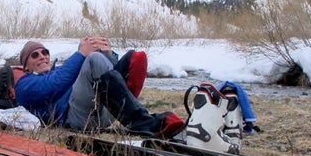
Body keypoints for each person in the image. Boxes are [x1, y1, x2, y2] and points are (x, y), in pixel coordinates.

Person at [14, 39, 185, 137]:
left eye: (45, 52)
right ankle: (144, 122)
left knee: (124, 59)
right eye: (34, 55)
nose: (42, 56)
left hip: (101, 112)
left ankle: (125, 94)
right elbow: (54, 84)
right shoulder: (24, 84)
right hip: (74, 119)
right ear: (26, 67)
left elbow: (82, 73)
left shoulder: (59, 71)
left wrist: (107, 53)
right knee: (93, 59)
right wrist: (83, 53)